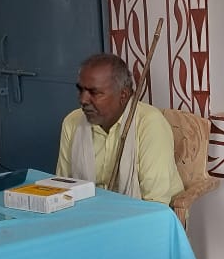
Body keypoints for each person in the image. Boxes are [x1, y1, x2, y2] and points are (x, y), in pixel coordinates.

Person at [56, 53, 183, 205]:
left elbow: (155, 202)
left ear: (123, 95)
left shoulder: (150, 124)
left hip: (141, 214)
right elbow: (63, 186)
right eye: (81, 90)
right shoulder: (73, 122)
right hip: (88, 212)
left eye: (94, 93)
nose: (83, 100)